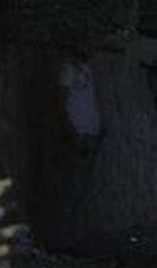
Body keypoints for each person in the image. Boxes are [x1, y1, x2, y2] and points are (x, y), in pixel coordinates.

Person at [55, 45, 103, 250]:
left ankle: (71, 239)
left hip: (90, 134)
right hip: (78, 135)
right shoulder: (68, 69)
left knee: (80, 191)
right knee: (71, 190)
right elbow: (60, 102)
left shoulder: (85, 69)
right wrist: (71, 132)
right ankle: (63, 242)